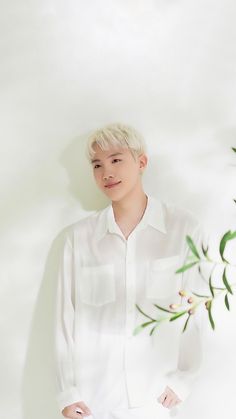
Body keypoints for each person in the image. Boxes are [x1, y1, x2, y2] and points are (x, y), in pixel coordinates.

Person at [54, 123, 204, 419]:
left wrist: (183, 380)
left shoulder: (183, 228)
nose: (106, 172)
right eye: (97, 165)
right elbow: (63, 317)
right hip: (93, 401)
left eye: (116, 160)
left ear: (142, 162)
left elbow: (197, 309)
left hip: (157, 398)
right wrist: (68, 393)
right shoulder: (79, 238)